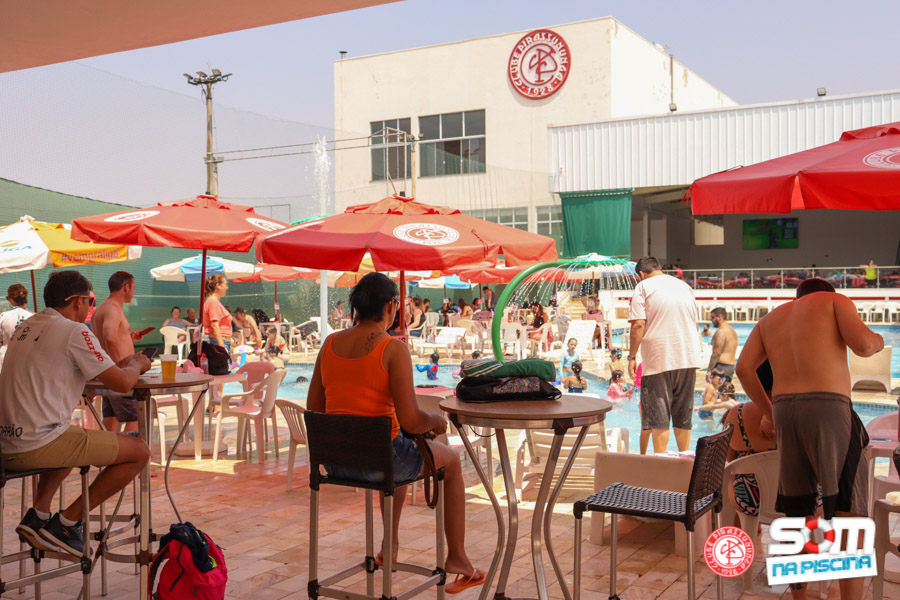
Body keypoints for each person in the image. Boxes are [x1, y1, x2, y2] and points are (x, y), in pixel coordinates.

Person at [307, 273, 485, 593]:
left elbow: (314, 410)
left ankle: (389, 544)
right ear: (391, 306)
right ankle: (457, 558)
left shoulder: (329, 344)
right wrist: (436, 420)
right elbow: (412, 420)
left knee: (397, 447)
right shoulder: (393, 348)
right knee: (450, 462)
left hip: (336, 463)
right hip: (381, 462)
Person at [736, 278, 883, 600]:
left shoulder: (770, 319)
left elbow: (744, 369)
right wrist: (878, 340)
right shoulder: (835, 301)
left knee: (798, 514)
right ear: (827, 294)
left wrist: (771, 412)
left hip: (785, 411)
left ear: (797, 297)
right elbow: (863, 346)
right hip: (829, 407)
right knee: (848, 513)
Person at [0, 270, 151, 556]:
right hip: (35, 445)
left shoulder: (27, 326)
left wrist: (122, 365)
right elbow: (122, 384)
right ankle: (67, 522)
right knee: (140, 451)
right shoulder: (74, 330)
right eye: (90, 302)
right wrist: (137, 365)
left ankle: (39, 515)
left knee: (70, 435)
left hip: (6, 444)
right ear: (77, 301)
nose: (90, 308)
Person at [627, 256, 701, 453]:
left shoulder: (643, 287)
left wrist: (632, 357)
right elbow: (695, 325)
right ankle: (684, 458)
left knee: (659, 418)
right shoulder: (684, 287)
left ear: (641, 274)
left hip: (659, 358)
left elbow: (638, 324)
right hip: (688, 357)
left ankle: (660, 461)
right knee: (683, 416)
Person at [92, 271, 146, 434]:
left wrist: (129, 338)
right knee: (135, 420)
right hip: (120, 374)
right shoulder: (112, 309)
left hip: (108, 372)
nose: (134, 292)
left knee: (110, 419)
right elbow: (109, 337)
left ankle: (107, 451)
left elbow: (107, 338)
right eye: (133, 288)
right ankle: (132, 450)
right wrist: (121, 367)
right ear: (126, 287)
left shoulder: (101, 308)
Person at [0, 283, 33, 368]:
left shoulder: (3, 316)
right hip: (29, 360)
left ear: (11, 299)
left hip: (6, 360)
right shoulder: (35, 317)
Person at [202, 274, 232, 354]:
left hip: (215, 341)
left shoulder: (212, 301)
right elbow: (215, 325)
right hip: (216, 341)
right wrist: (221, 346)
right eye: (225, 284)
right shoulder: (213, 302)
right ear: (218, 285)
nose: (227, 287)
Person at [707, 307, 738, 381]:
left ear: (719, 317)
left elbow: (716, 353)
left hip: (721, 368)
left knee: (715, 388)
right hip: (730, 367)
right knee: (725, 388)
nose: (711, 320)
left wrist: (709, 370)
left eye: (713, 317)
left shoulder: (721, 331)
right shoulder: (732, 330)